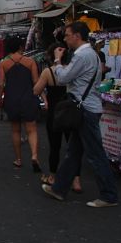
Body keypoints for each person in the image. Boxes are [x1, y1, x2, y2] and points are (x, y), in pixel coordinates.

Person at [41, 22, 118, 207]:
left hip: (85, 110)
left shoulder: (82, 55)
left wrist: (58, 61)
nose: (65, 39)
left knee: (95, 154)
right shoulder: (90, 54)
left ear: (77, 35)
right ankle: (59, 188)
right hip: (87, 107)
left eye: (67, 35)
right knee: (74, 152)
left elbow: (63, 77)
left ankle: (109, 195)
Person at [33, 43, 82, 192]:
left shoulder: (48, 72)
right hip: (72, 112)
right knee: (73, 148)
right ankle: (76, 180)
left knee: (55, 146)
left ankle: (52, 176)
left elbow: (36, 90)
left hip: (55, 113)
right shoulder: (73, 70)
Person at [0, 36, 42, 172]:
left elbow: (1, 84)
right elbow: (36, 82)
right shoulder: (30, 61)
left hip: (12, 99)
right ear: (20, 47)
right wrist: (43, 97)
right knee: (32, 129)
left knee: (16, 130)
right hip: (28, 98)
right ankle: (34, 155)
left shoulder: (3, 64)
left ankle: (18, 159)